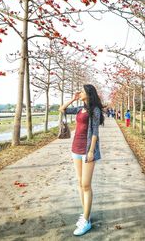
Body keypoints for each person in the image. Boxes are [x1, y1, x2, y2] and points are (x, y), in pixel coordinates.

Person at [59, 84, 104, 236]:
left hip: (87, 150)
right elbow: (62, 109)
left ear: (89, 94)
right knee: (79, 183)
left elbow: (95, 132)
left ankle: (85, 221)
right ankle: (86, 214)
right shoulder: (79, 109)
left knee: (86, 185)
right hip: (75, 148)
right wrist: (73, 99)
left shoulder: (95, 110)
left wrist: (91, 151)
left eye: (83, 91)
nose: (80, 92)